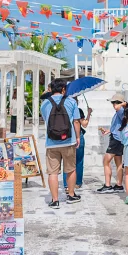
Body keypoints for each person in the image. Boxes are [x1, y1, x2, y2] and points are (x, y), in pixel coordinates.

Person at [39, 78, 82, 208]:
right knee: (70, 169)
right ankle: (71, 195)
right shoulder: (71, 101)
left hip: (52, 143)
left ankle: (55, 200)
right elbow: (76, 121)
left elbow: (46, 120)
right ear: (64, 89)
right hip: (68, 141)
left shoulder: (44, 104)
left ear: (51, 89)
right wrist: (78, 137)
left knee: (53, 172)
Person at [96, 93, 126, 193]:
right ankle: (119, 185)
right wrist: (109, 130)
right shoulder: (119, 112)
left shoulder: (121, 111)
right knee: (118, 163)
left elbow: (123, 108)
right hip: (118, 138)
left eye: (115, 103)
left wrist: (122, 104)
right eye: (113, 103)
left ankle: (107, 185)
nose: (113, 105)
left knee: (106, 161)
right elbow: (118, 126)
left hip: (116, 140)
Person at [74, 102, 91, 188]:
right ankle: (78, 182)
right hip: (78, 136)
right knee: (79, 161)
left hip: (67, 137)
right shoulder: (77, 110)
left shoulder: (64, 109)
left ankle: (67, 183)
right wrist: (89, 113)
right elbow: (84, 124)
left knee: (68, 162)